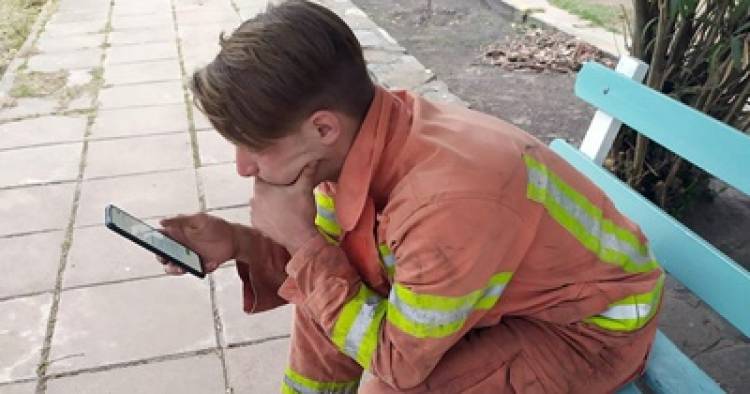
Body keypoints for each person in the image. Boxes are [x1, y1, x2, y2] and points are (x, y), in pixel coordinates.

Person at [157, 1, 664, 392]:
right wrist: (241, 243)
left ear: (323, 127)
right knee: (320, 288)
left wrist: (305, 246)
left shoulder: (449, 202)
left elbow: (398, 363)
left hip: (584, 331)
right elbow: (336, 269)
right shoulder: (361, 139)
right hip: (494, 295)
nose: (243, 167)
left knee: (387, 382)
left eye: (254, 146)